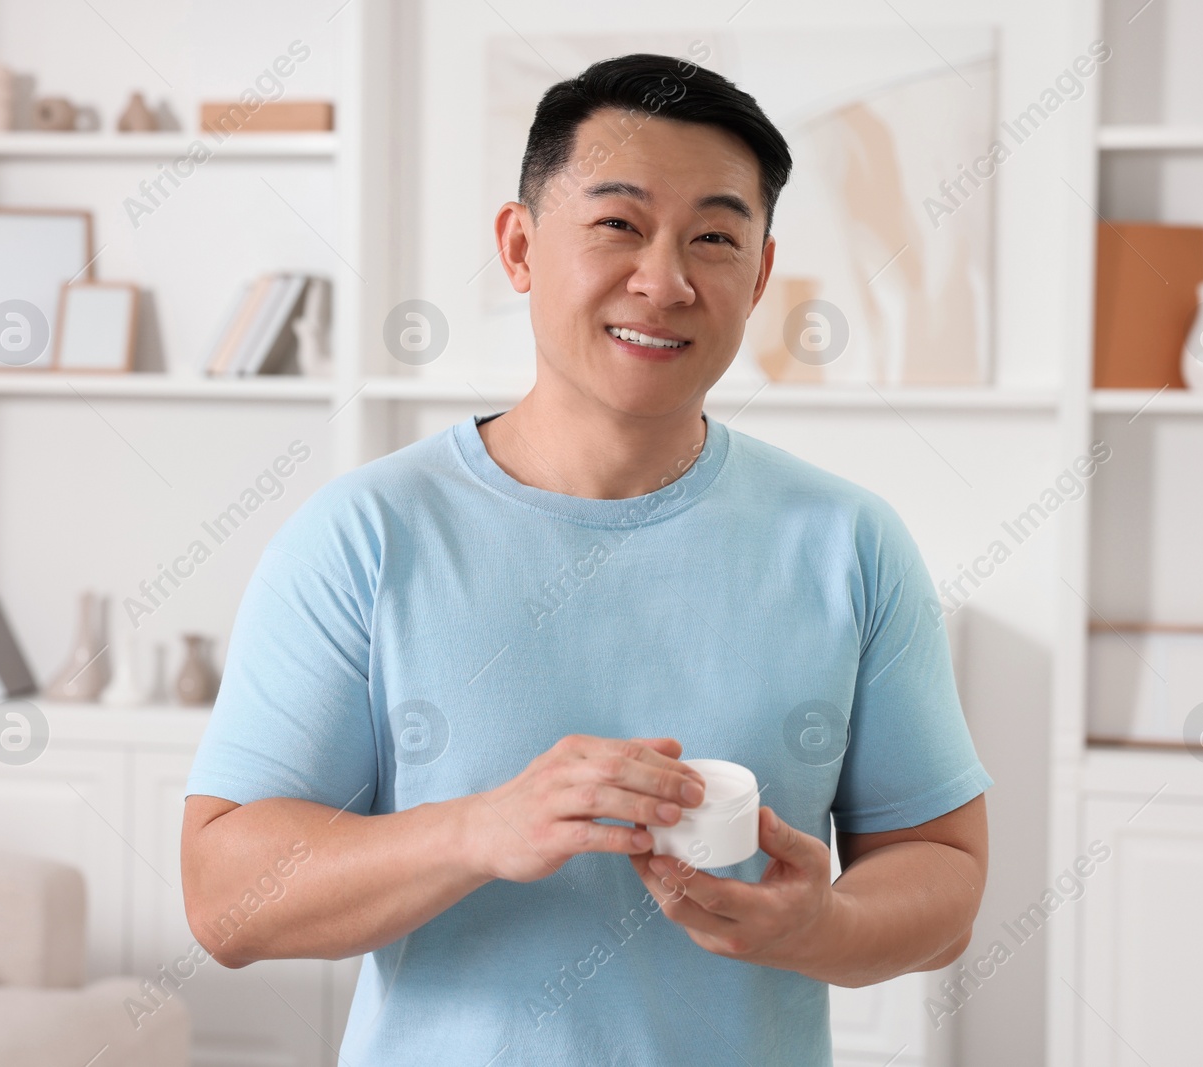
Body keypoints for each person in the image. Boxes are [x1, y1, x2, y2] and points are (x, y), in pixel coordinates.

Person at [181, 51, 992, 1066]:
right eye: (617, 224)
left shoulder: (849, 543)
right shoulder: (363, 535)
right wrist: (477, 829)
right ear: (518, 247)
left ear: (761, 275)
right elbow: (223, 898)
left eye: (714, 237)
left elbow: (944, 871)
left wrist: (816, 927)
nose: (665, 279)